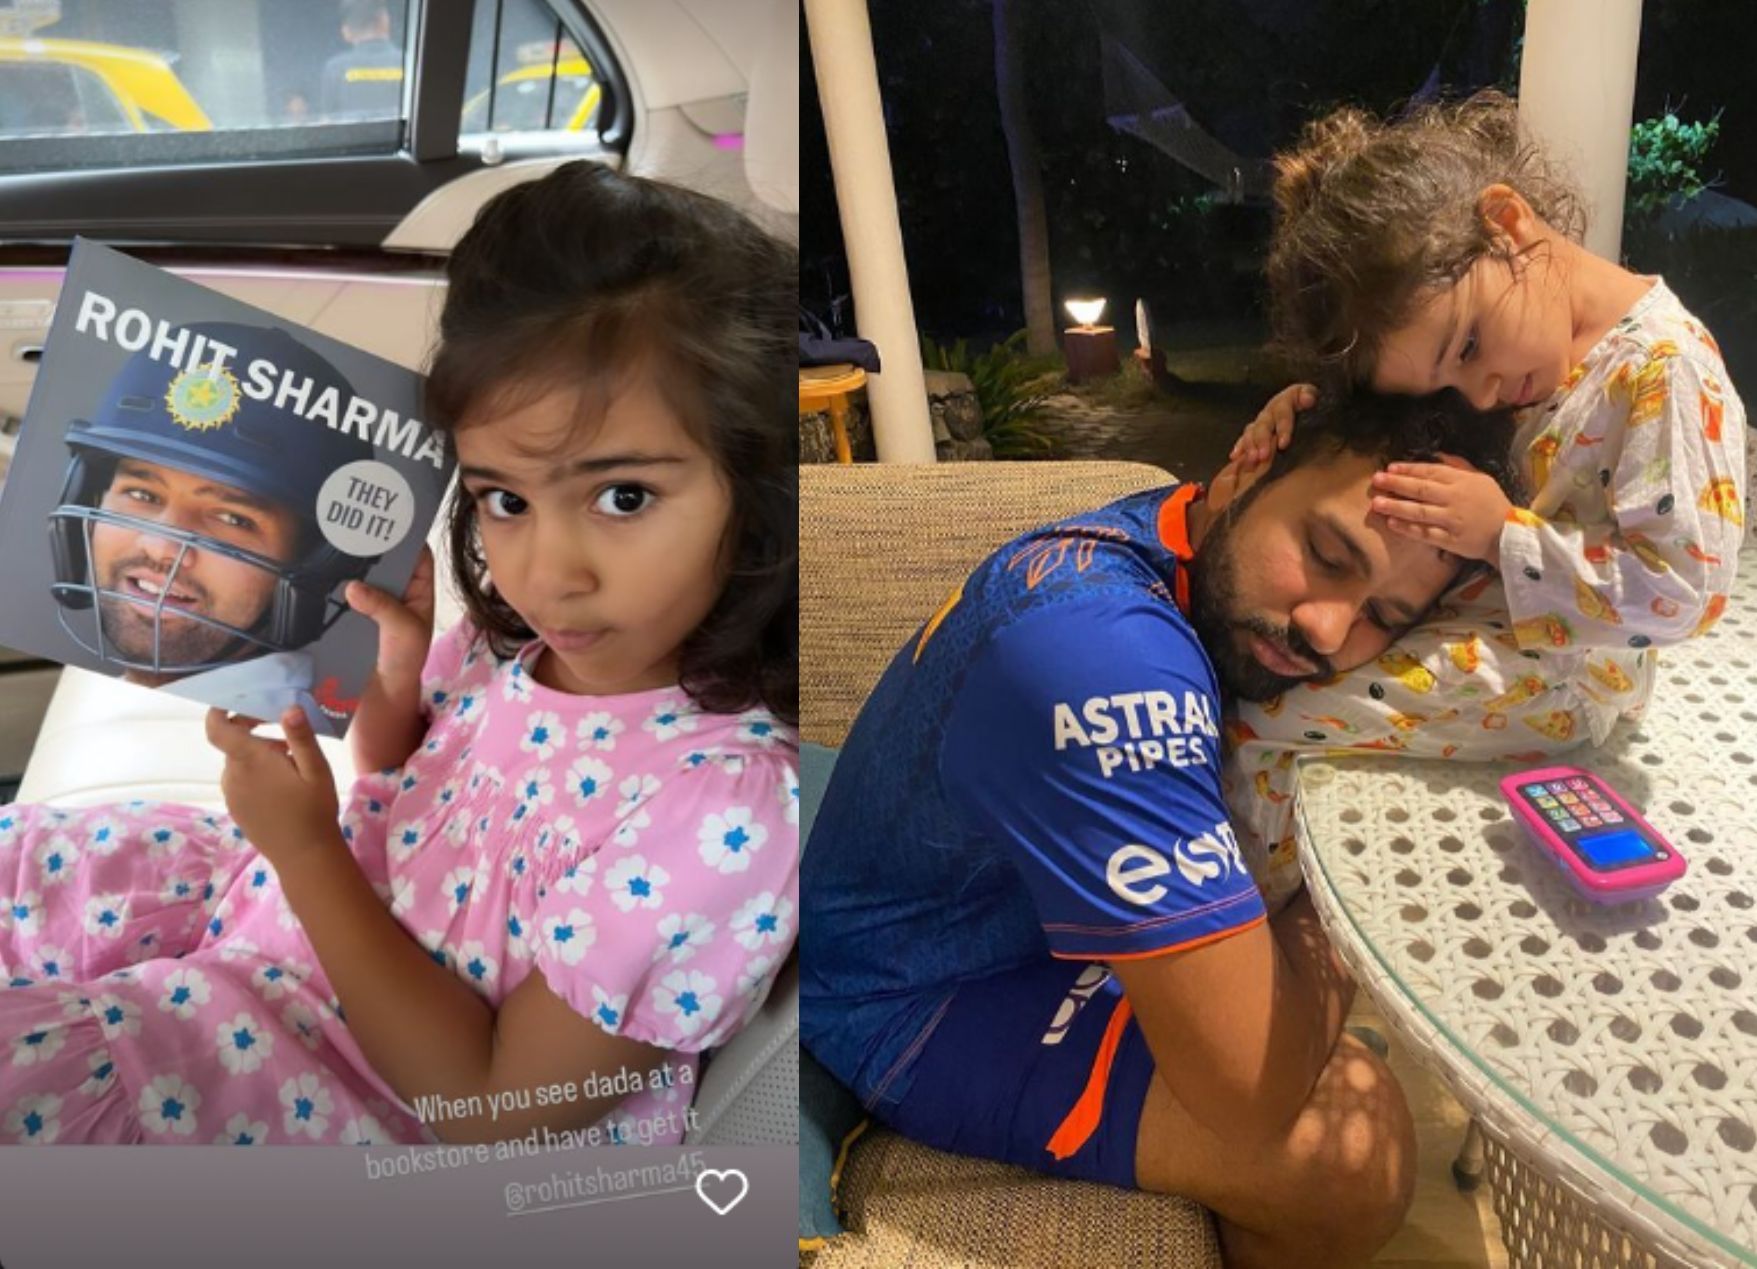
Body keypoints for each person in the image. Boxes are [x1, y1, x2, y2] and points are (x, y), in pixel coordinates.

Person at [0, 163, 799, 1148]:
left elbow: (486, 1107)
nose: (545, 574)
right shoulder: (521, 638)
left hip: (341, 1073)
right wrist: (395, 674)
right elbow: (404, 772)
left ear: (758, 488)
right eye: (504, 498)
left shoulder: (719, 813)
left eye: (621, 496)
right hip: (281, 902)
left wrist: (305, 848)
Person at [802, 391, 1517, 1269]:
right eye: (1327, 554)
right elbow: (1252, 1092)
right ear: (1252, 462)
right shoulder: (1104, 662)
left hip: (1027, 918)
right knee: (1350, 1158)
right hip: (917, 990)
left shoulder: (1178, 534)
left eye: (1384, 618)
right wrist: (1351, 905)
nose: (1329, 629)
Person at [1222, 90, 1749, 882]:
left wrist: (1502, 536)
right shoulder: (1522, 358)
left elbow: (1686, 590)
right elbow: (1397, 443)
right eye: (1448, 379)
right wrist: (1298, 418)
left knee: (1266, 717)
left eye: (1467, 345)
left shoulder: (1663, 371)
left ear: (1507, 222)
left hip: (1571, 673)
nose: (1479, 393)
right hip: (1492, 631)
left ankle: (1244, 923)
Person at [47, 323, 380, 728]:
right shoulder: (100, 711)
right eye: (143, 494)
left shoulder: (278, 752)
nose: (160, 548)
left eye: (232, 519)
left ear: (313, 562)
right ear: (91, 498)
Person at [319, 0, 404, 121]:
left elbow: (328, 126)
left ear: (346, 31)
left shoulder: (334, 69)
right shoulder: (409, 63)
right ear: (384, 20)